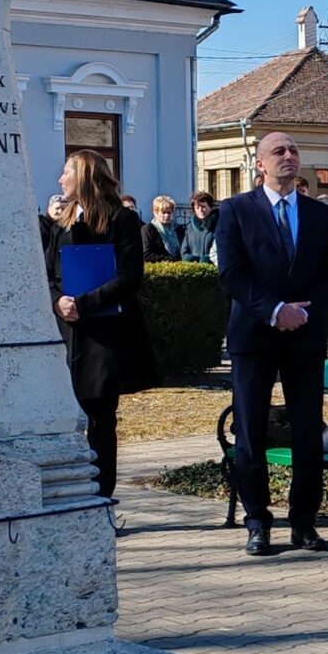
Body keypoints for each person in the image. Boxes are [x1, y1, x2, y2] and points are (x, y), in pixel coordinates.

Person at [217, 132, 328, 557]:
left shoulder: (318, 213)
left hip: (304, 338)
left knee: (308, 432)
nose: (289, 157)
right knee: (251, 431)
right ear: (260, 165)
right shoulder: (236, 211)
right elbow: (232, 274)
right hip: (254, 337)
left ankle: (304, 522)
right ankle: (257, 522)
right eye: (279, 152)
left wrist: (305, 311)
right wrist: (274, 310)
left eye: (294, 150)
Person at [43, 150, 161, 503]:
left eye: (66, 172)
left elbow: (129, 276)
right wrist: (57, 301)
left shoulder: (122, 219)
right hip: (68, 331)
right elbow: (47, 272)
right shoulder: (62, 219)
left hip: (104, 334)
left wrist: (84, 304)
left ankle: (99, 495)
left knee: (100, 419)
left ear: (85, 176)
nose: (60, 179)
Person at [181, 192, 220, 264]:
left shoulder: (219, 225)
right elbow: (184, 252)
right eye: (197, 207)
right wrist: (191, 260)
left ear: (210, 207)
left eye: (203, 207)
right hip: (193, 270)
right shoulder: (190, 228)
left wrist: (207, 260)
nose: (200, 210)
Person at [141, 196, 176, 264]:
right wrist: (170, 260)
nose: (166, 215)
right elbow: (146, 255)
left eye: (169, 212)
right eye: (163, 212)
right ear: (155, 213)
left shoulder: (178, 229)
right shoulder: (148, 229)